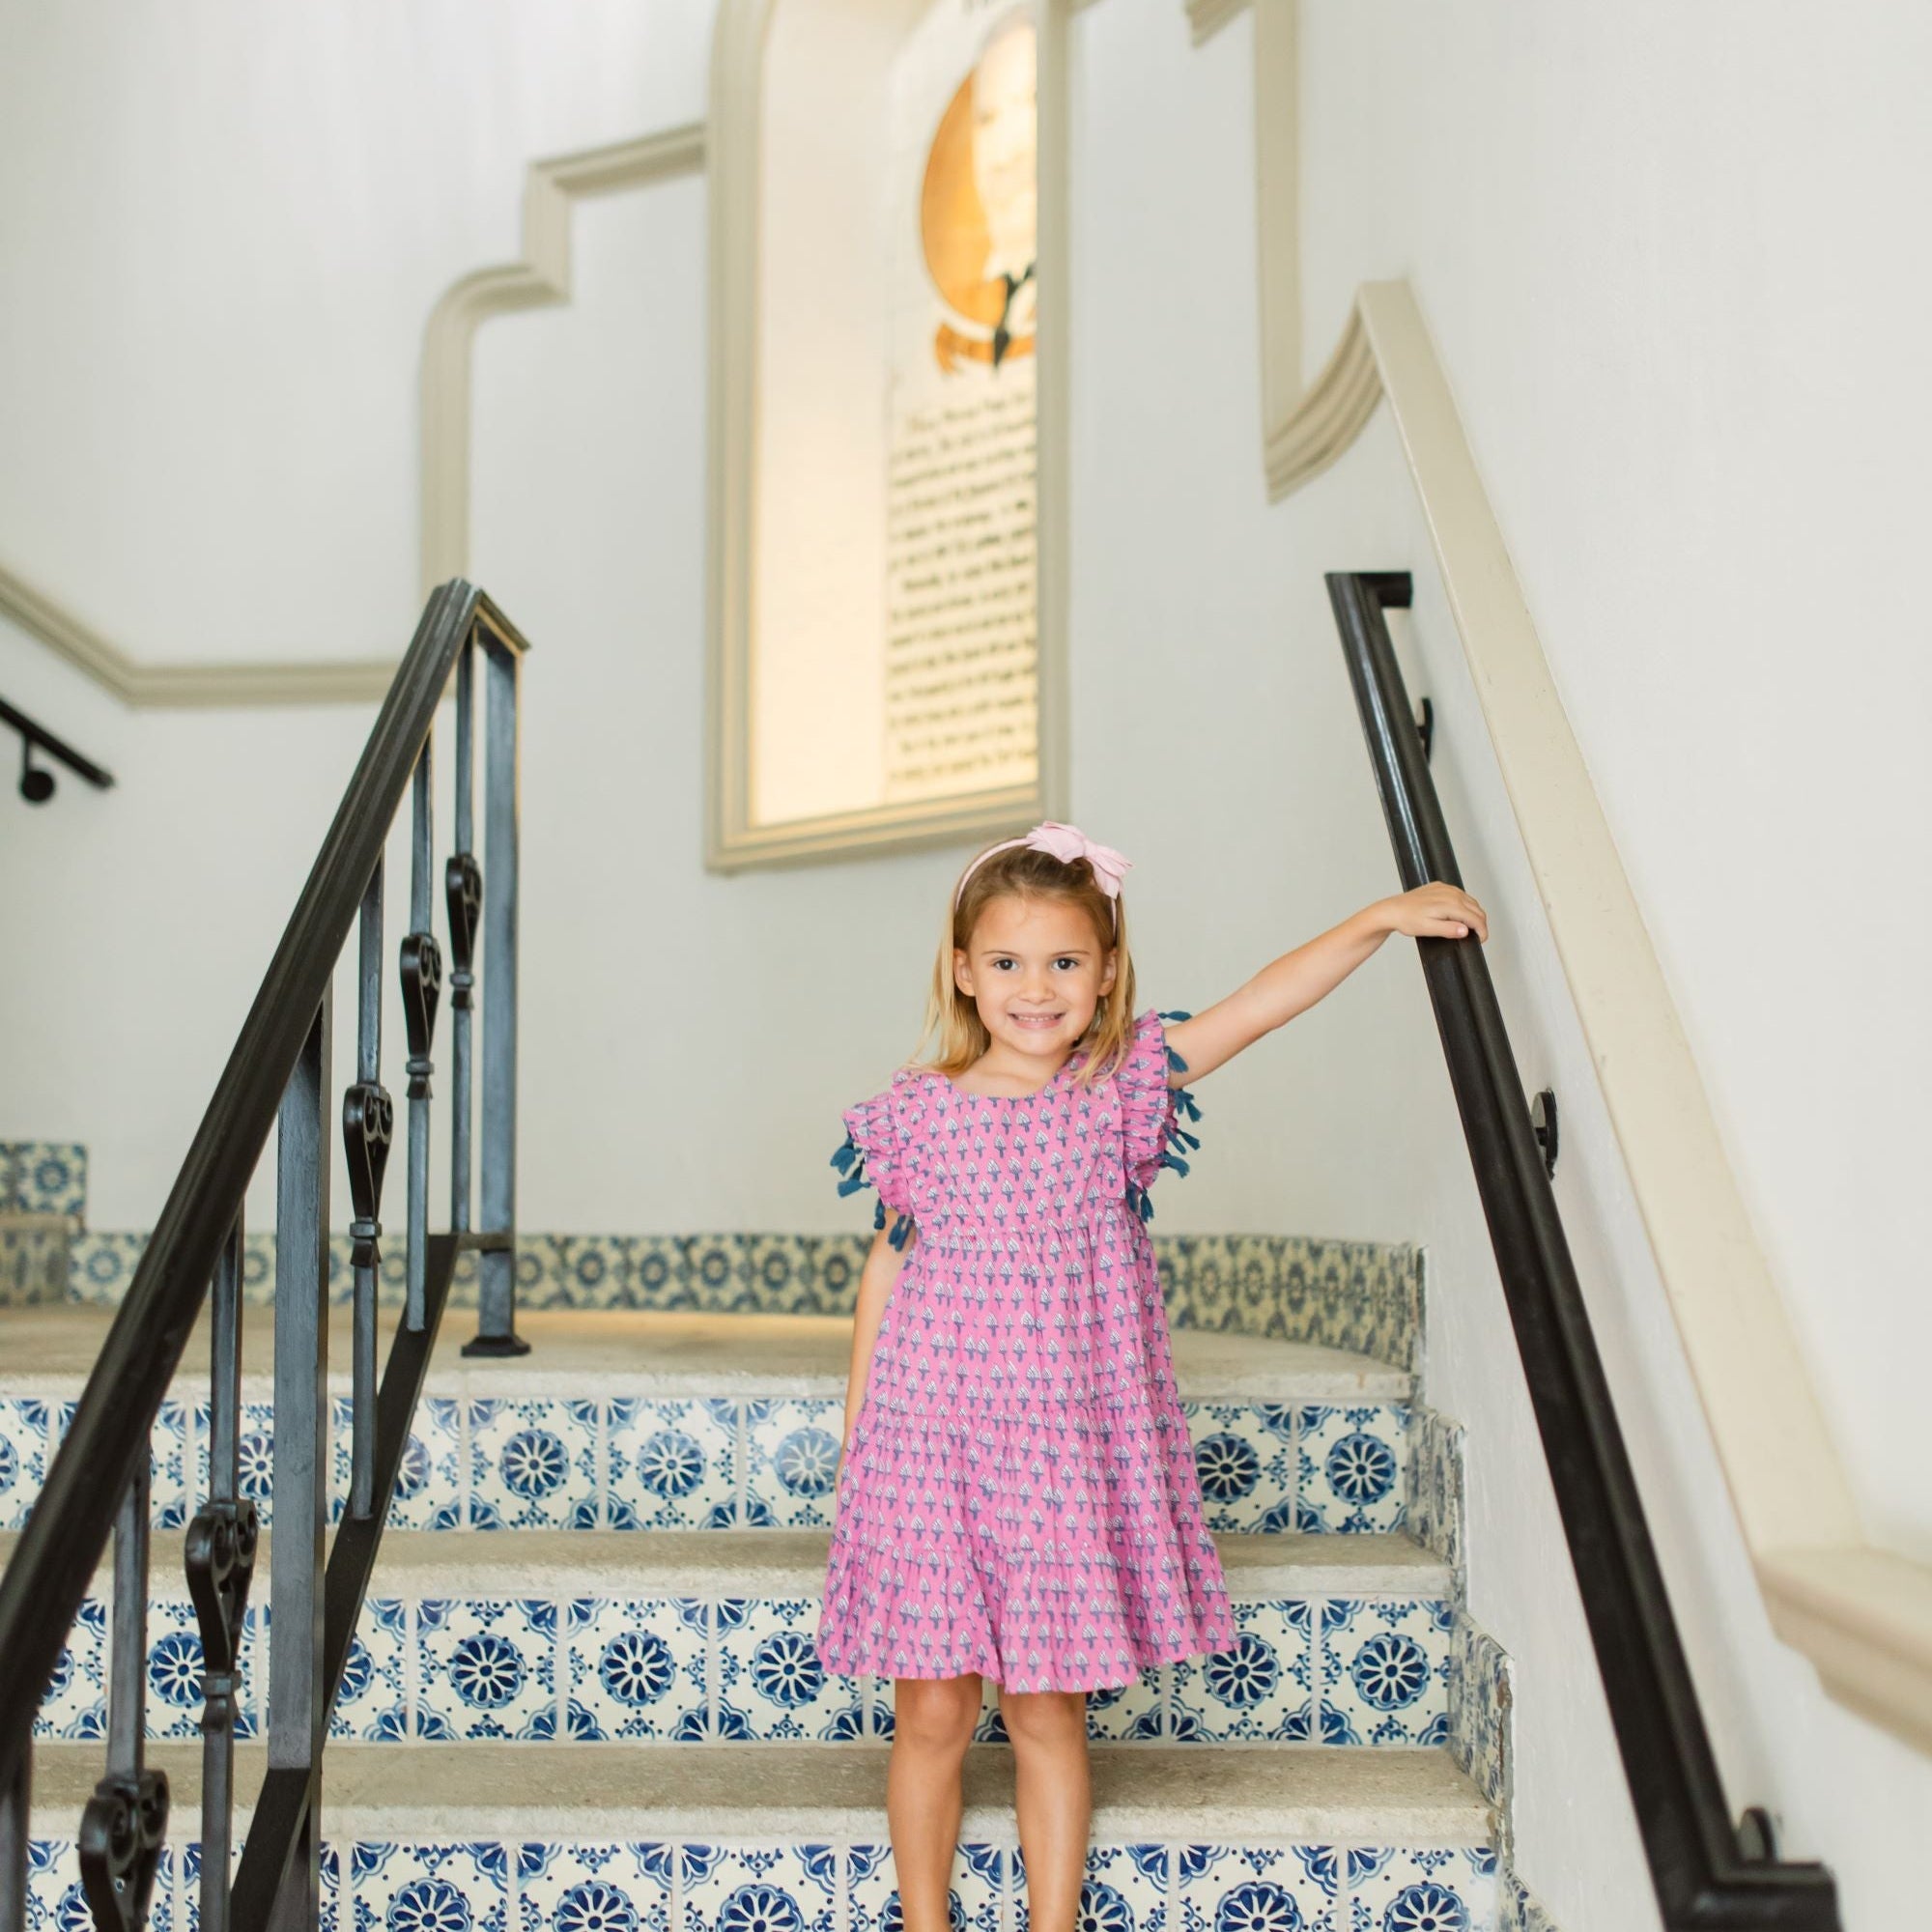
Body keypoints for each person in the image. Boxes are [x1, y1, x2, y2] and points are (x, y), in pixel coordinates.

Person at [817, 820, 1488, 1932]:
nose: (1036, 987)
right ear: (963, 971)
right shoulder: (917, 1111)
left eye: (1063, 961)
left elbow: (1258, 1004)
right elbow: (886, 1263)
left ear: (1106, 971)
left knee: (1045, 1711)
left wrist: (1375, 917)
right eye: (1007, 961)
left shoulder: (1119, 1085)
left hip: (1061, 1457)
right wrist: (859, 1439)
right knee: (930, 1714)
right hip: (929, 1447)